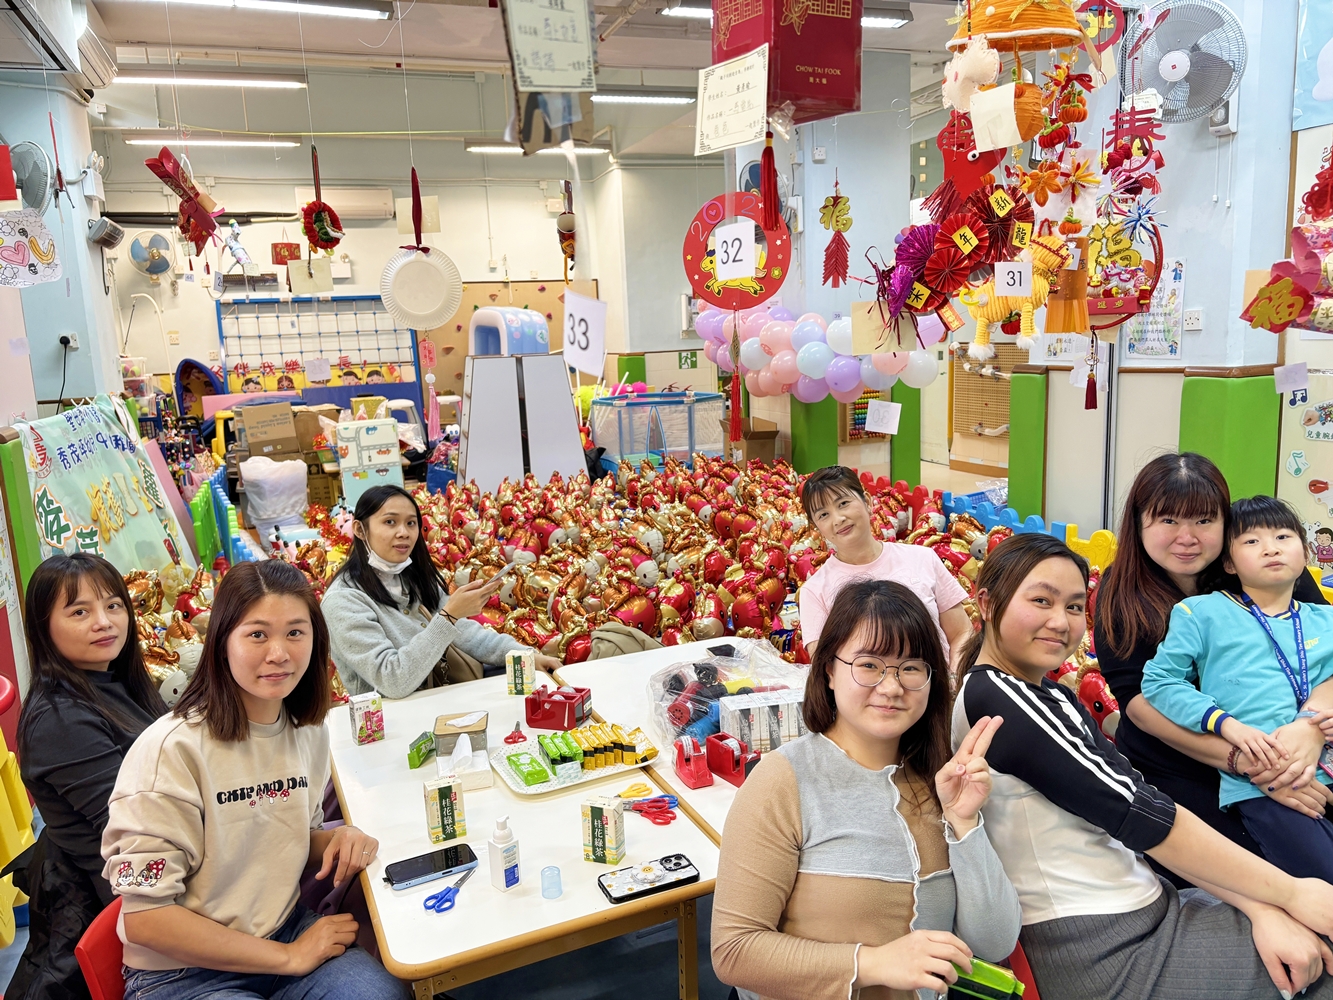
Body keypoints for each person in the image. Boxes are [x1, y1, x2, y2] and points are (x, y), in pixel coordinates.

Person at [955, 533, 1333, 1000]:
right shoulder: (1000, 697)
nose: (1060, 621)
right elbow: (1142, 813)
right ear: (986, 603)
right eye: (1041, 601)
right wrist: (1292, 894)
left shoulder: (1046, 694)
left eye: (1074, 607)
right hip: (1104, 946)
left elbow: (1143, 807)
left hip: (1144, 910)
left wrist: (1264, 908)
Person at [101, 559, 408, 1000]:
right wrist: (289, 957)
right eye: (258, 635)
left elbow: (284, 834)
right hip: (183, 973)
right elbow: (146, 919)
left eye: (295, 633)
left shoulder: (308, 731)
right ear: (222, 641)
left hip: (282, 928)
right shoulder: (172, 750)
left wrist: (338, 838)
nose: (279, 653)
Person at [712, 579, 1020, 1000]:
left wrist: (965, 823)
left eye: (911, 667)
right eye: (869, 665)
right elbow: (734, 951)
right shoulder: (783, 780)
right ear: (829, 670)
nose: (892, 687)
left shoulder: (943, 780)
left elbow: (994, 942)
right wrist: (872, 963)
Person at [1095, 453, 1332, 887]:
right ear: (1139, 522)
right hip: (1182, 761)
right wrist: (1250, 765)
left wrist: (1310, 728)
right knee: (1270, 875)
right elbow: (1139, 704)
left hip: (1292, 746)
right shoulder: (1122, 589)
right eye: (1168, 520)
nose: (1186, 538)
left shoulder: (1263, 564)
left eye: (1204, 520)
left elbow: (1321, 652)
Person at [6, 555, 167, 1000]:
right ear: (43, 628)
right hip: (144, 908)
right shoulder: (60, 720)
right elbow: (138, 829)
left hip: (165, 877)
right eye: (80, 611)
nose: (104, 622)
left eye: (113, 605)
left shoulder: (116, 681)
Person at [321, 485, 559, 698]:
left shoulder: (411, 578)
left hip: (442, 702)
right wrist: (448, 616)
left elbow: (467, 633)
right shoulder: (343, 601)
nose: (404, 532)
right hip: (390, 722)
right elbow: (392, 680)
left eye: (411, 523)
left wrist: (526, 655)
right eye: (390, 522)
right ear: (360, 530)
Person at [797, 466, 971, 671]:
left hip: (940, 686)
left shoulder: (923, 559)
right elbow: (825, 668)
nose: (838, 519)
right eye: (824, 515)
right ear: (816, 527)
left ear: (867, 502)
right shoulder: (814, 592)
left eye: (843, 503)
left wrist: (954, 679)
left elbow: (962, 633)